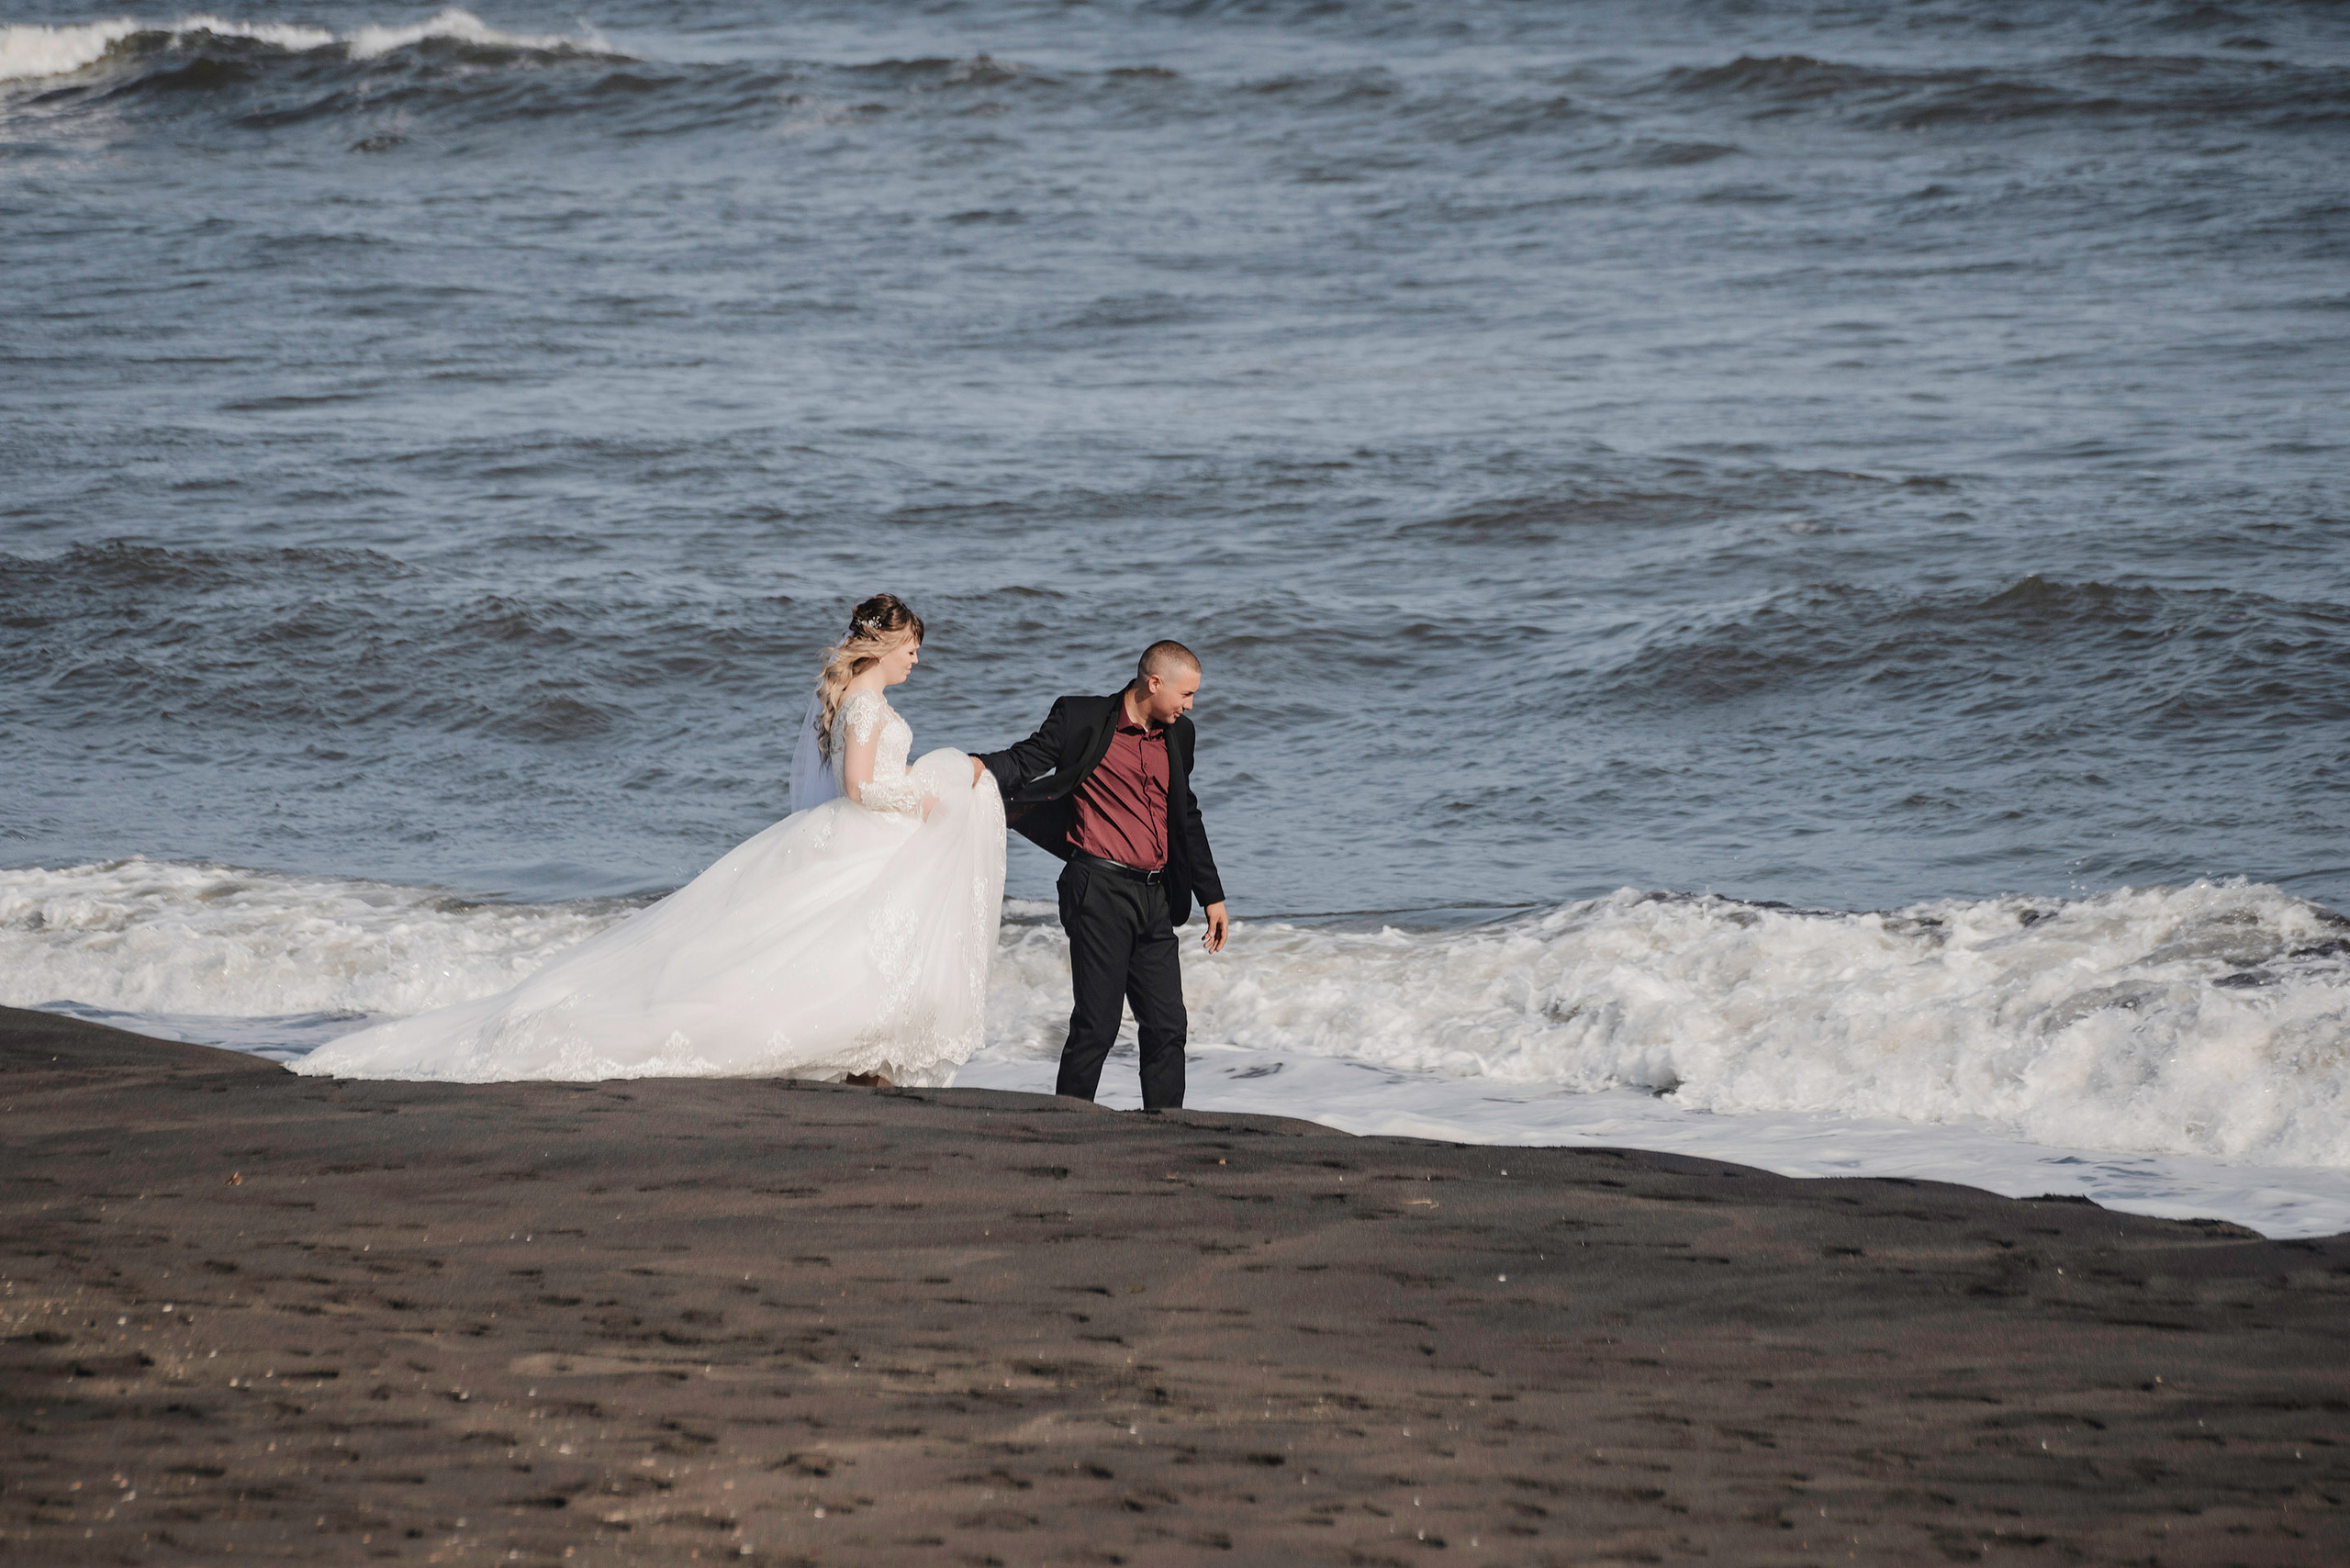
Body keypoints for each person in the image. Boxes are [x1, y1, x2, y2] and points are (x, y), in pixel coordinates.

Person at [296, 595, 1005, 1085]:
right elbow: (858, 787)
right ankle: (847, 1048)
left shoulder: (856, 701)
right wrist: (921, 795)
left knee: (825, 940)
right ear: (884, 645)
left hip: (857, 840)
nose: (916, 660)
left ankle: (859, 1052)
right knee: (824, 941)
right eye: (912, 648)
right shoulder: (869, 706)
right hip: (864, 829)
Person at [974, 642, 1228, 1111]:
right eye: (1186, 694)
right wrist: (977, 767)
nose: (1190, 706)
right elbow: (1027, 759)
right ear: (1154, 683)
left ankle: (1166, 1128)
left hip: (1156, 895)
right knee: (1097, 1023)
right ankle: (1068, 1123)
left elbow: (1185, 813)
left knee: (1168, 1025)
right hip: (1097, 888)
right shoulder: (1082, 718)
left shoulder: (1180, 735)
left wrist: (1210, 894)